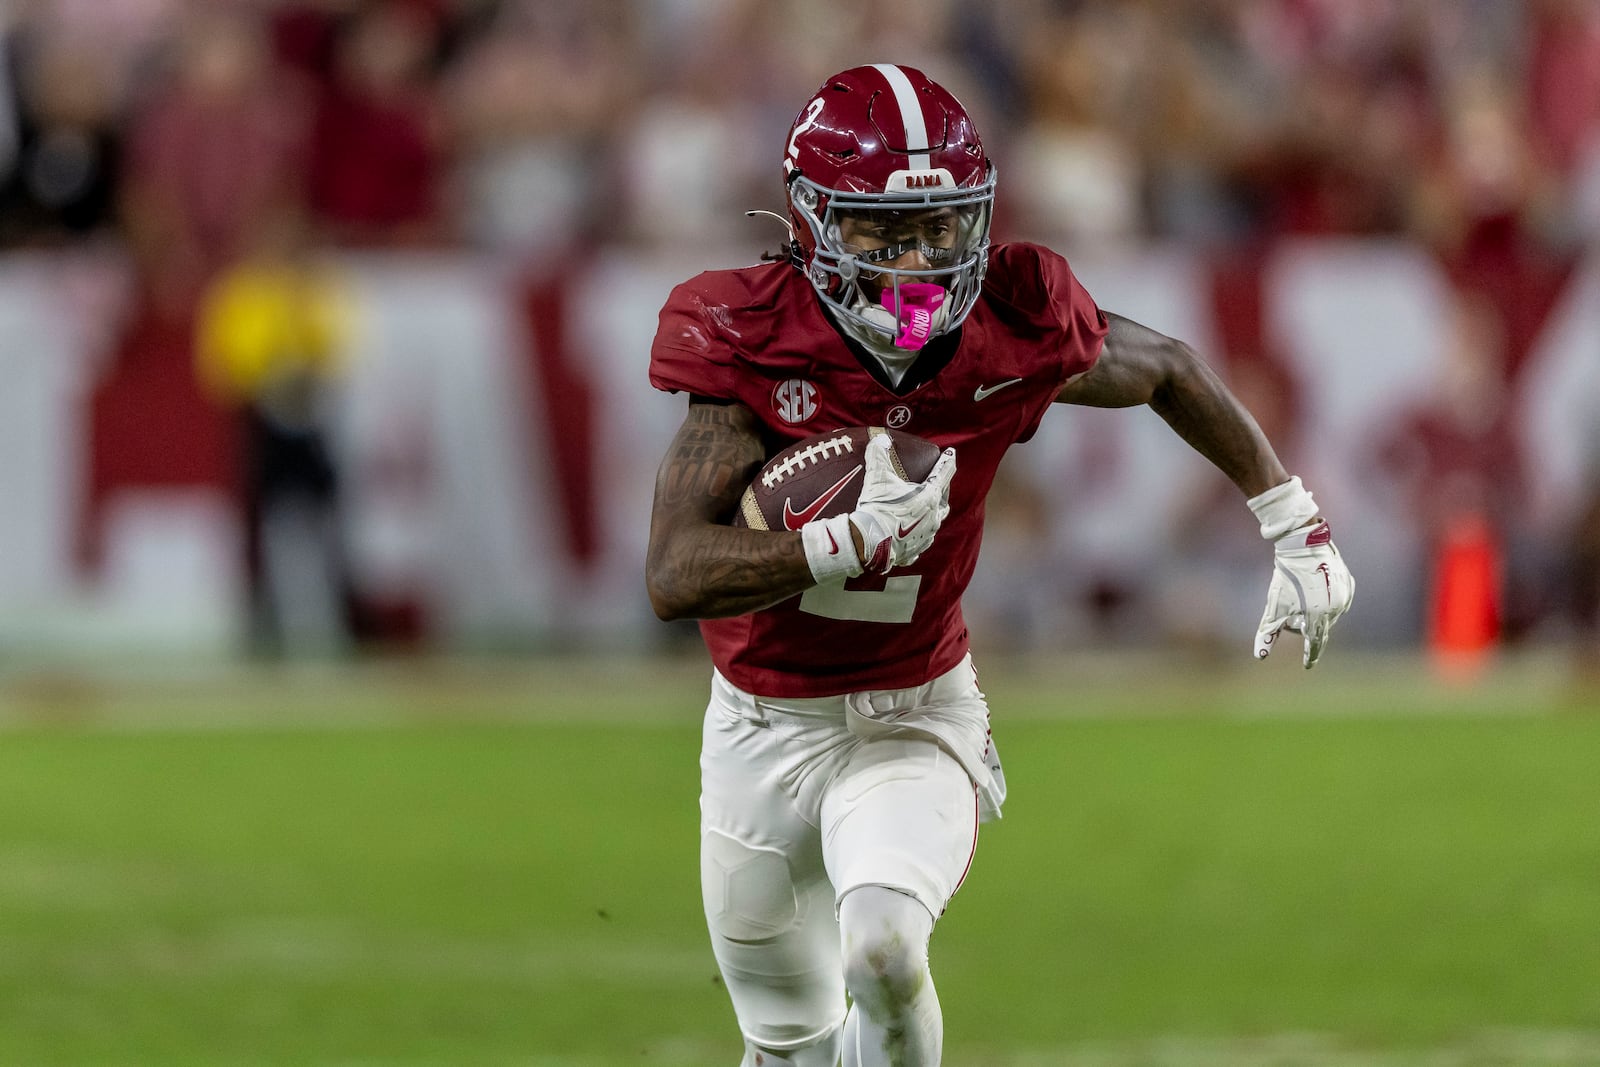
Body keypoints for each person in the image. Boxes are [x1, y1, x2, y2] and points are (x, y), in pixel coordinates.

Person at [644, 64, 1354, 1067]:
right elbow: (672, 571)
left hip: (914, 712)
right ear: (812, 227)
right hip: (760, 727)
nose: (918, 262)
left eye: (939, 228)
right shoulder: (754, 336)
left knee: (885, 951)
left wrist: (1294, 521)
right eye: (883, 233)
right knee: (788, 1050)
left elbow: (1167, 368)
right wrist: (836, 543)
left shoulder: (1005, 326)